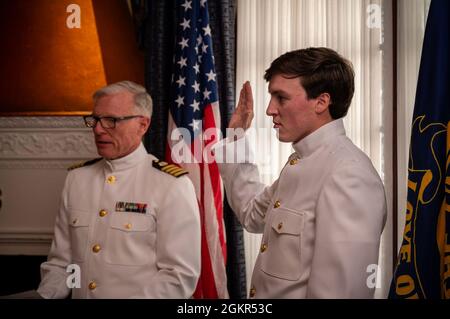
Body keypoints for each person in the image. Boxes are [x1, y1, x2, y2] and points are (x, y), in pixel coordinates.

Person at [216, 47, 387, 298]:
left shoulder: (349, 175)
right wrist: (235, 137)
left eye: (281, 97)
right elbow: (252, 213)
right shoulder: (300, 162)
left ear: (321, 102)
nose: (269, 110)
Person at [36, 81, 201, 298]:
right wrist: (45, 295)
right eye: (95, 119)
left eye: (111, 120)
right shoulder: (77, 180)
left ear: (142, 125)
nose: (97, 129)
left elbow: (179, 277)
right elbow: (64, 265)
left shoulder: (171, 185)